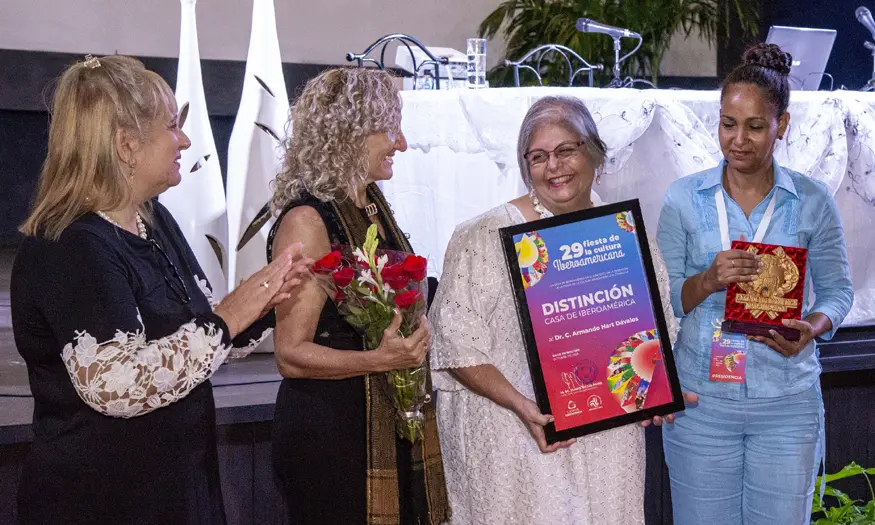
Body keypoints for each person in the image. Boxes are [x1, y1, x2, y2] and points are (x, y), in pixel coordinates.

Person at [10, 55, 309, 525]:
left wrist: (268, 299)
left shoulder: (153, 219)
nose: (185, 140)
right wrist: (232, 314)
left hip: (174, 489)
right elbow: (118, 386)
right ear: (126, 145)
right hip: (102, 501)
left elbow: (199, 335)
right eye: (172, 127)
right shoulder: (70, 245)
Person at [428, 95, 690, 525]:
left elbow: (652, 329)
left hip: (607, 444)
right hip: (515, 440)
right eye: (538, 156)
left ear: (595, 154)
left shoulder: (622, 232)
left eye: (566, 150)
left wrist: (654, 391)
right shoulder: (483, 235)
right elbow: (455, 344)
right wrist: (522, 406)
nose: (554, 166)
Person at [656, 43, 854, 525]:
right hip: (701, 405)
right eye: (728, 123)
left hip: (787, 405)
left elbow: (838, 292)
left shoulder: (811, 200)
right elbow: (663, 302)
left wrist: (810, 326)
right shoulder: (684, 198)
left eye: (755, 126)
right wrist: (706, 280)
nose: (738, 139)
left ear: (781, 126)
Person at [268, 67, 450, 525]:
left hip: (381, 417)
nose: (402, 144)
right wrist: (379, 360)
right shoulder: (308, 221)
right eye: (390, 128)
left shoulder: (371, 204)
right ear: (349, 133)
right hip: (333, 432)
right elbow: (290, 354)